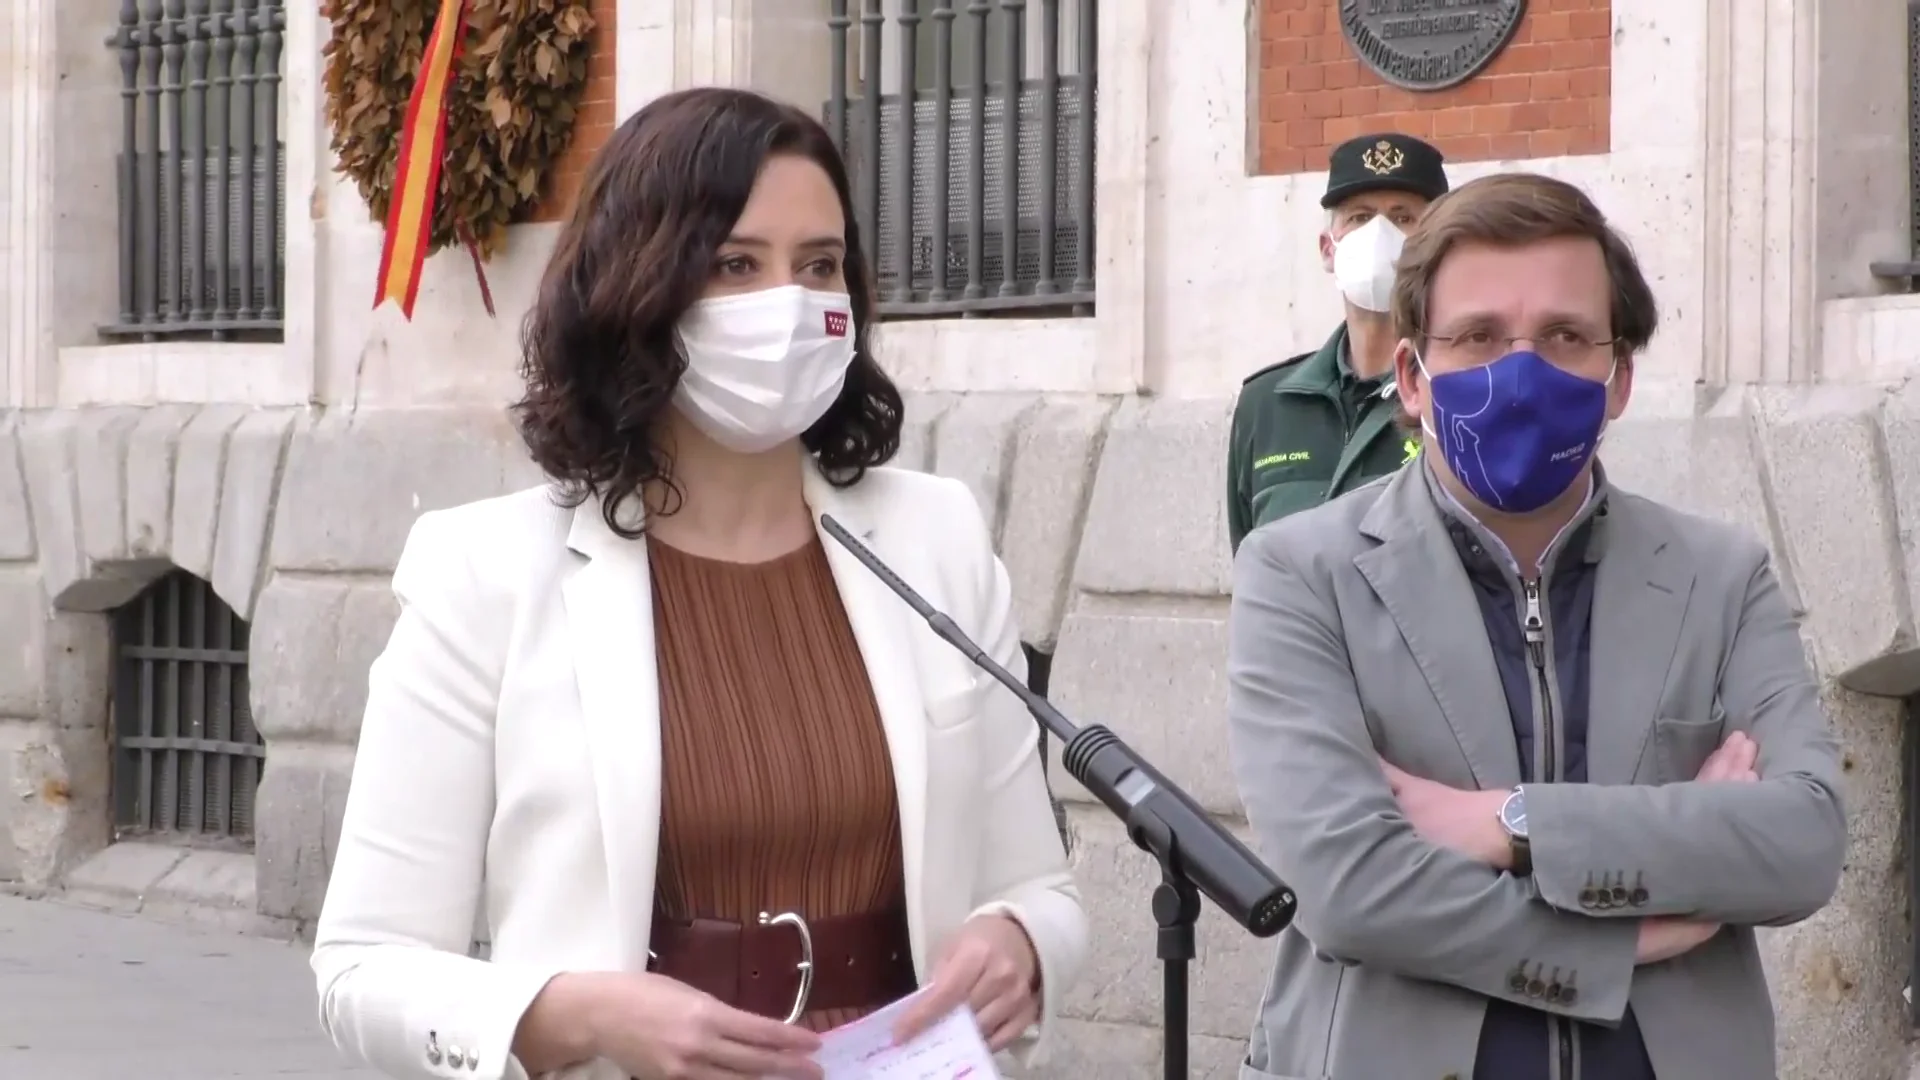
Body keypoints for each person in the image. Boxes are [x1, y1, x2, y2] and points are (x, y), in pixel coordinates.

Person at [310, 87, 1087, 1080]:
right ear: (641, 285)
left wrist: (1019, 941)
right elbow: (363, 966)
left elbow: (1041, 888)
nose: (791, 304)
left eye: (819, 264)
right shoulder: (486, 576)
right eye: (735, 265)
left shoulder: (934, 540)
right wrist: (578, 1016)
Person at [1225, 173, 1846, 1080]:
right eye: (1477, 336)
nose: (1521, 372)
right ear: (1412, 376)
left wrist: (1515, 826)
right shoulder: (1298, 574)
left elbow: (1803, 843)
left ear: (1619, 377)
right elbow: (1348, 889)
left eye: (1563, 336)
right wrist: (1626, 936)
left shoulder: (1721, 576)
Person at [1225, 132, 1450, 553]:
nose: (1379, 233)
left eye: (1403, 218)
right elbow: (1252, 567)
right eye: (1360, 217)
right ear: (1329, 249)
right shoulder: (1268, 405)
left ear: (1436, 248)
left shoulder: (1459, 395)